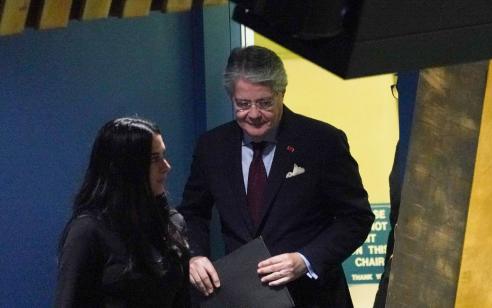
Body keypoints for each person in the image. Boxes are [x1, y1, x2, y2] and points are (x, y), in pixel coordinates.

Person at [179, 46, 375, 307]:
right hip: (242, 298)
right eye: (243, 104)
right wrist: (195, 256)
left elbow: (357, 217)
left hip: (313, 297)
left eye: (264, 103)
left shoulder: (322, 141)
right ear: (231, 98)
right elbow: (192, 212)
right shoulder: (212, 147)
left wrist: (305, 260)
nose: (254, 114)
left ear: (282, 93)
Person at [55, 117, 191, 307]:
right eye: (154, 158)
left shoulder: (173, 223)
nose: (166, 167)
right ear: (127, 167)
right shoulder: (88, 231)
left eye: (163, 156)